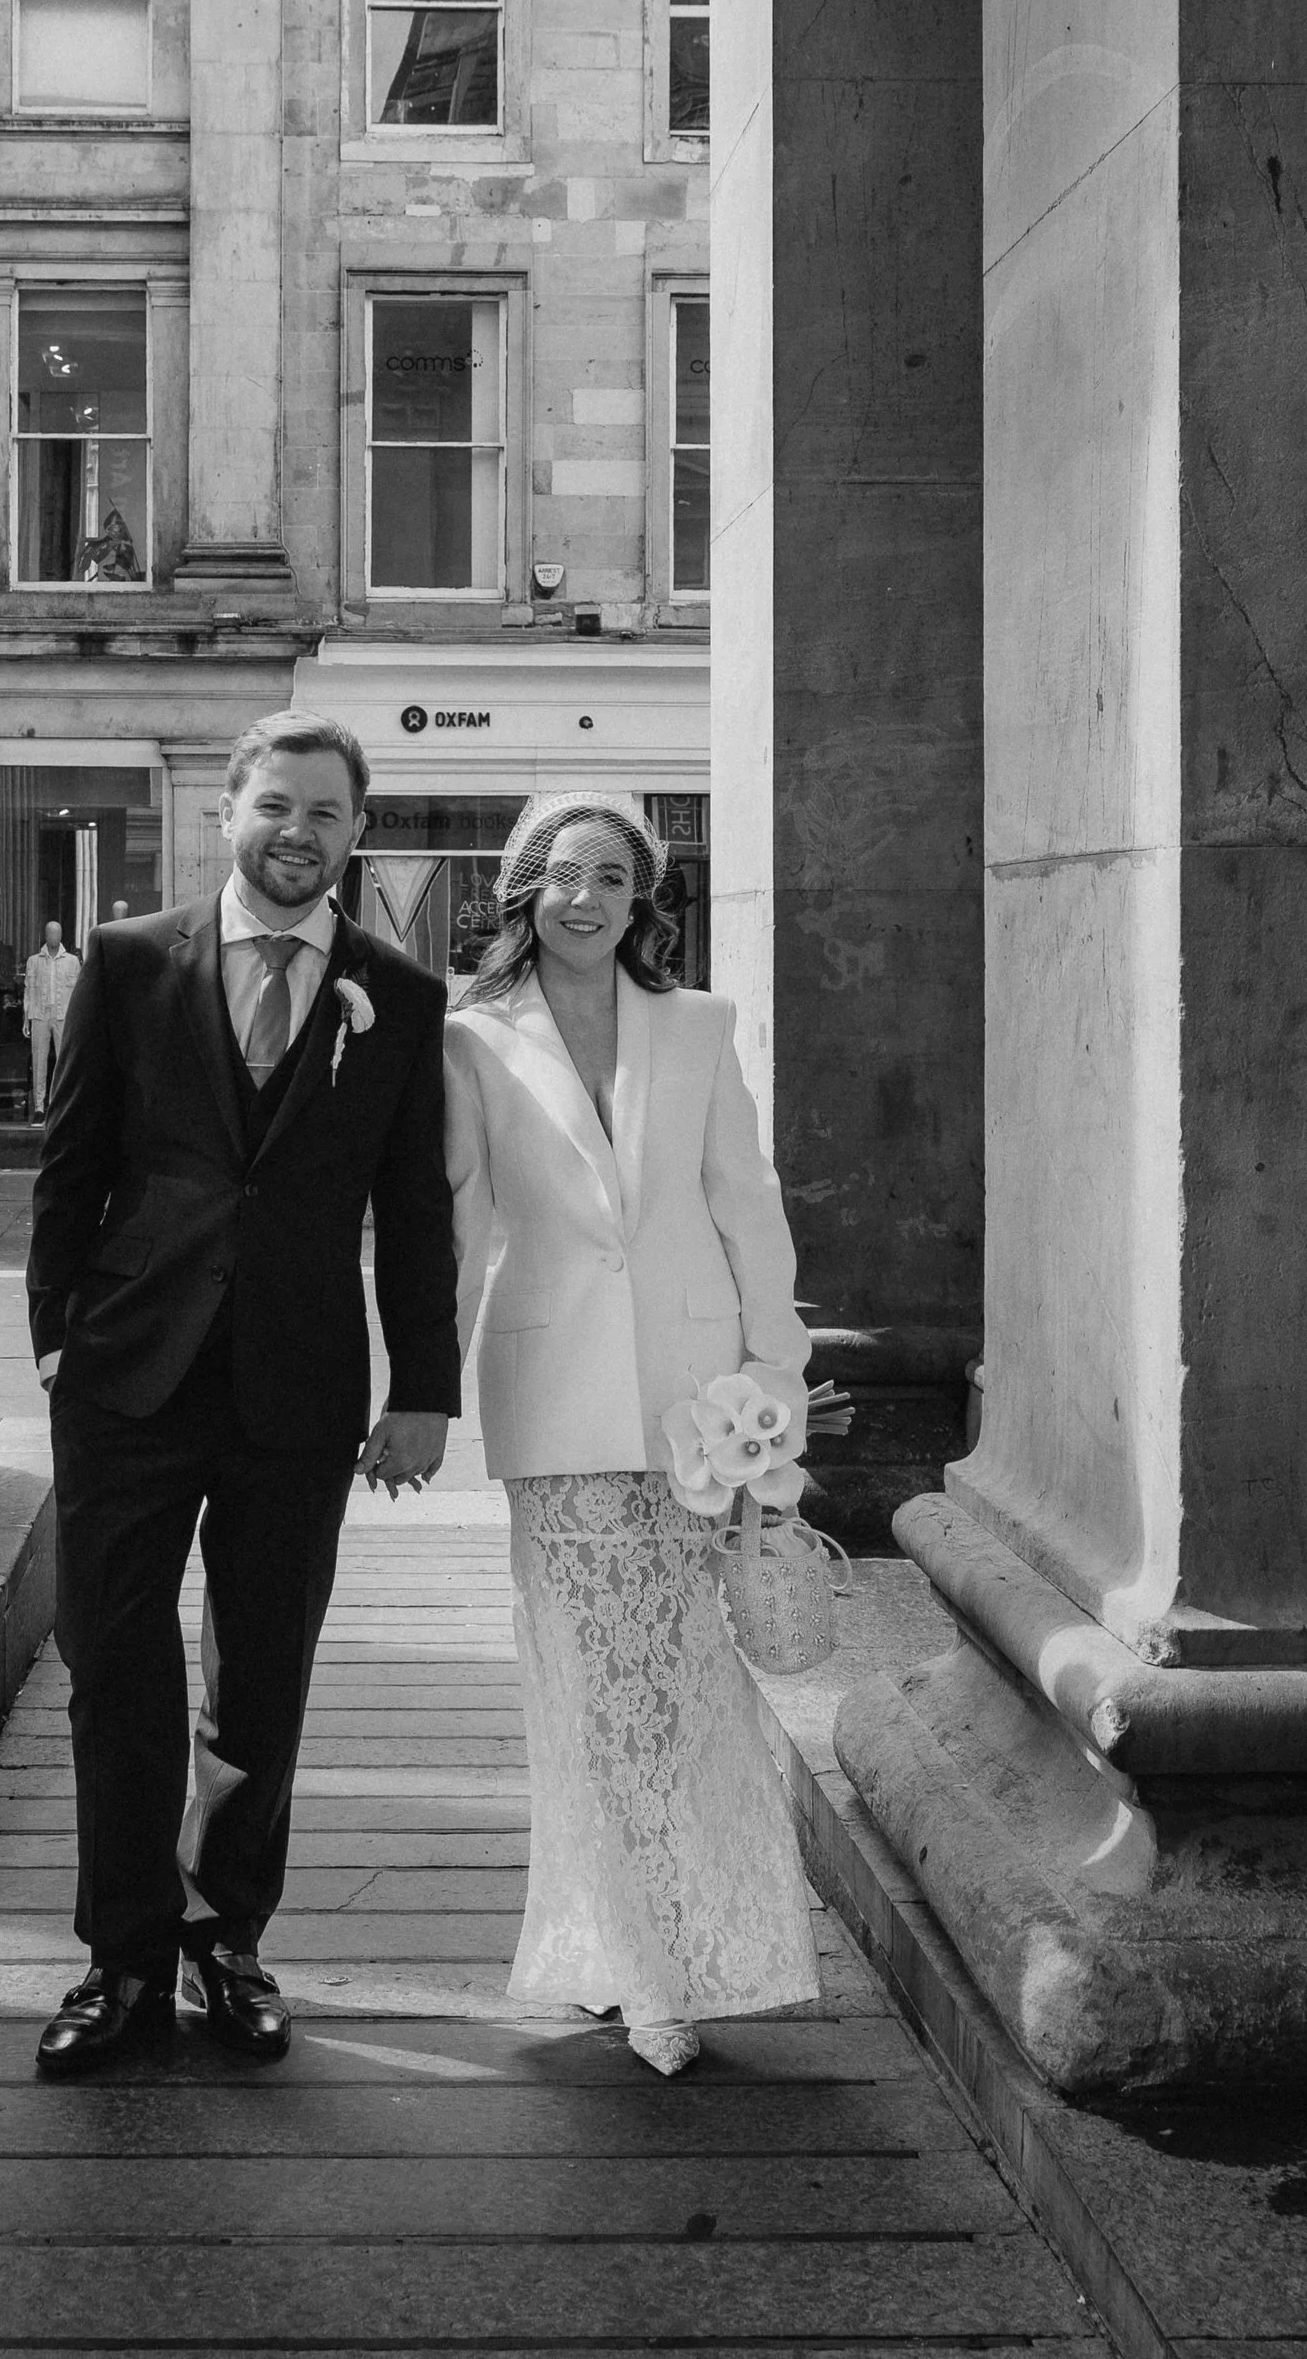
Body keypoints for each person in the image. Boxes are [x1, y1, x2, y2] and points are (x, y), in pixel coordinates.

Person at [26, 712, 459, 2077]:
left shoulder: (400, 992)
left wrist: (426, 1387)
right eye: (276, 806)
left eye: (326, 814)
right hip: (128, 1373)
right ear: (227, 811)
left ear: (355, 832)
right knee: (114, 1661)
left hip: (299, 1380)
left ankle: (231, 1941)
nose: (298, 834)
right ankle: (123, 1953)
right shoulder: (133, 959)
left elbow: (414, 1210)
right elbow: (70, 1164)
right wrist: (53, 1339)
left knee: (262, 1673)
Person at [444, 791, 840, 2076]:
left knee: (676, 1687)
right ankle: (637, 1966)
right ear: (523, 889)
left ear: (641, 899)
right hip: (550, 1397)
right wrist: (416, 1391)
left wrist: (771, 1375)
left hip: (694, 1400)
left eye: (610, 877)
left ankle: (680, 1943)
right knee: (586, 1687)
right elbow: (456, 1226)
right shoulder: (471, 1039)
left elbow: (747, 1203)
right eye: (562, 874)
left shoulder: (698, 1026)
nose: (583, 897)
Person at [22, 921, 79, 1117]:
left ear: (61, 935)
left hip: (64, 1016)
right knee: (39, 1060)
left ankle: (62, 1103)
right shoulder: (34, 961)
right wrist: (25, 1019)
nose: (53, 937)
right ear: (45, 935)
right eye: (50, 933)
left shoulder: (72, 961)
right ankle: (39, 1106)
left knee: (65, 1060)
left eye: (57, 933)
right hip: (40, 1014)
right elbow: (28, 991)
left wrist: (77, 1020)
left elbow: (79, 994)